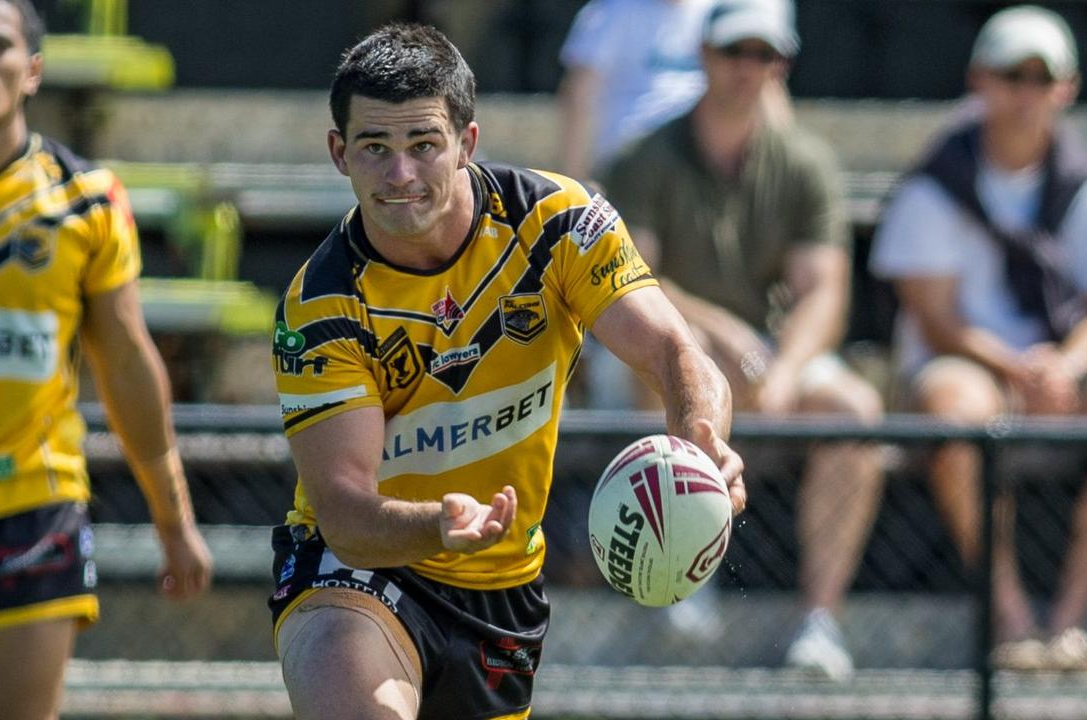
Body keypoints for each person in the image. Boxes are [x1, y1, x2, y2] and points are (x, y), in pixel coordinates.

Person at [267, 22, 746, 720]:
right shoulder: (322, 306)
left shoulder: (558, 224)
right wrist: (438, 524)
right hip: (359, 572)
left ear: (466, 143)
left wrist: (701, 436)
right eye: (375, 147)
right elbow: (344, 515)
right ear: (340, 153)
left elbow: (677, 353)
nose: (400, 175)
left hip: (502, 588)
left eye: (423, 145)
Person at [0, 1, 213, 717]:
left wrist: (173, 522)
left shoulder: (85, 200)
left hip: (31, 508)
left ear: (34, 70)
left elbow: (126, 365)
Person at [604, 0, 885, 681]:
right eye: (735, 52)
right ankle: (682, 579)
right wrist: (720, 339)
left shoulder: (805, 161)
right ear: (704, 56)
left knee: (857, 412)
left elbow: (825, 291)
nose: (747, 68)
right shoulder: (645, 155)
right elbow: (630, 285)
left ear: (781, 66)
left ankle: (820, 621)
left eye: (764, 55)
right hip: (661, 347)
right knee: (672, 358)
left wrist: (783, 369)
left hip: (768, 357)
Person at [871, 5, 1087, 673]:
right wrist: (1018, 367)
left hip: (1054, 379)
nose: (1026, 94)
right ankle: (1012, 619)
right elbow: (933, 317)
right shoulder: (938, 182)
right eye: (1010, 76)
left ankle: (1068, 624)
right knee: (959, 408)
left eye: (1040, 78)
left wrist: (1066, 369)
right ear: (979, 82)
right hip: (967, 368)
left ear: (1067, 89)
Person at [556, 0, 716, 182]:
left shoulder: (724, 13)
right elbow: (579, 95)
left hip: (702, 165)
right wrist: (576, 178)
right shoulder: (611, 11)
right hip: (627, 165)